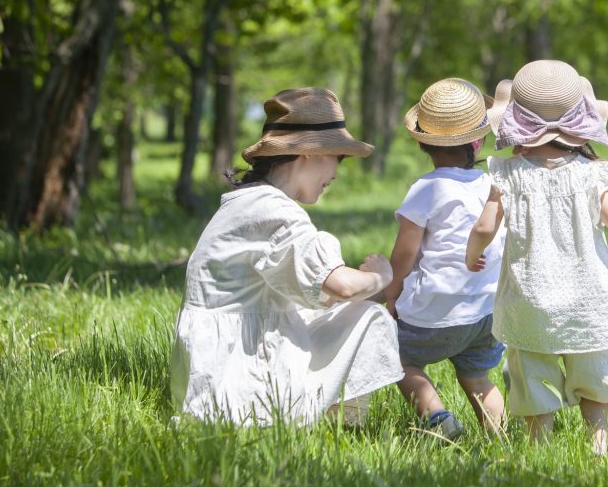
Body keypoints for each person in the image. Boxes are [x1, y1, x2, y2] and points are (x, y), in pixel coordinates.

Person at [171, 88, 403, 426]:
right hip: (235, 372)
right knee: (369, 318)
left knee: (355, 310)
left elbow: (313, 293)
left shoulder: (250, 202)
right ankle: (344, 424)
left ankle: (336, 422)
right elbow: (341, 286)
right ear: (309, 153)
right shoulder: (273, 211)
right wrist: (382, 275)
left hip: (223, 355)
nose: (337, 173)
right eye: (337, 157)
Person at [466, 60, 608, 454]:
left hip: (530, 299)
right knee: (593, 376)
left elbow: (486, 227)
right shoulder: (591, 173)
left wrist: (473, 254)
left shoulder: (508, 174)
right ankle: (598, 446)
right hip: (587, 300)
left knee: (533, 376)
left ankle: (541, 448)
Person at [385, 78, 507, 440]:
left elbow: (405, 252)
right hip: (487, 310)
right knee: (478, 376)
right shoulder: (491, 185)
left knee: (395, 357)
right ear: (479, 140)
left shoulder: (426, 188)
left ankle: (440, 421)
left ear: (422, 140)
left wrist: (391, 294)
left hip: (437, 310)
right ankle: (500, 440)